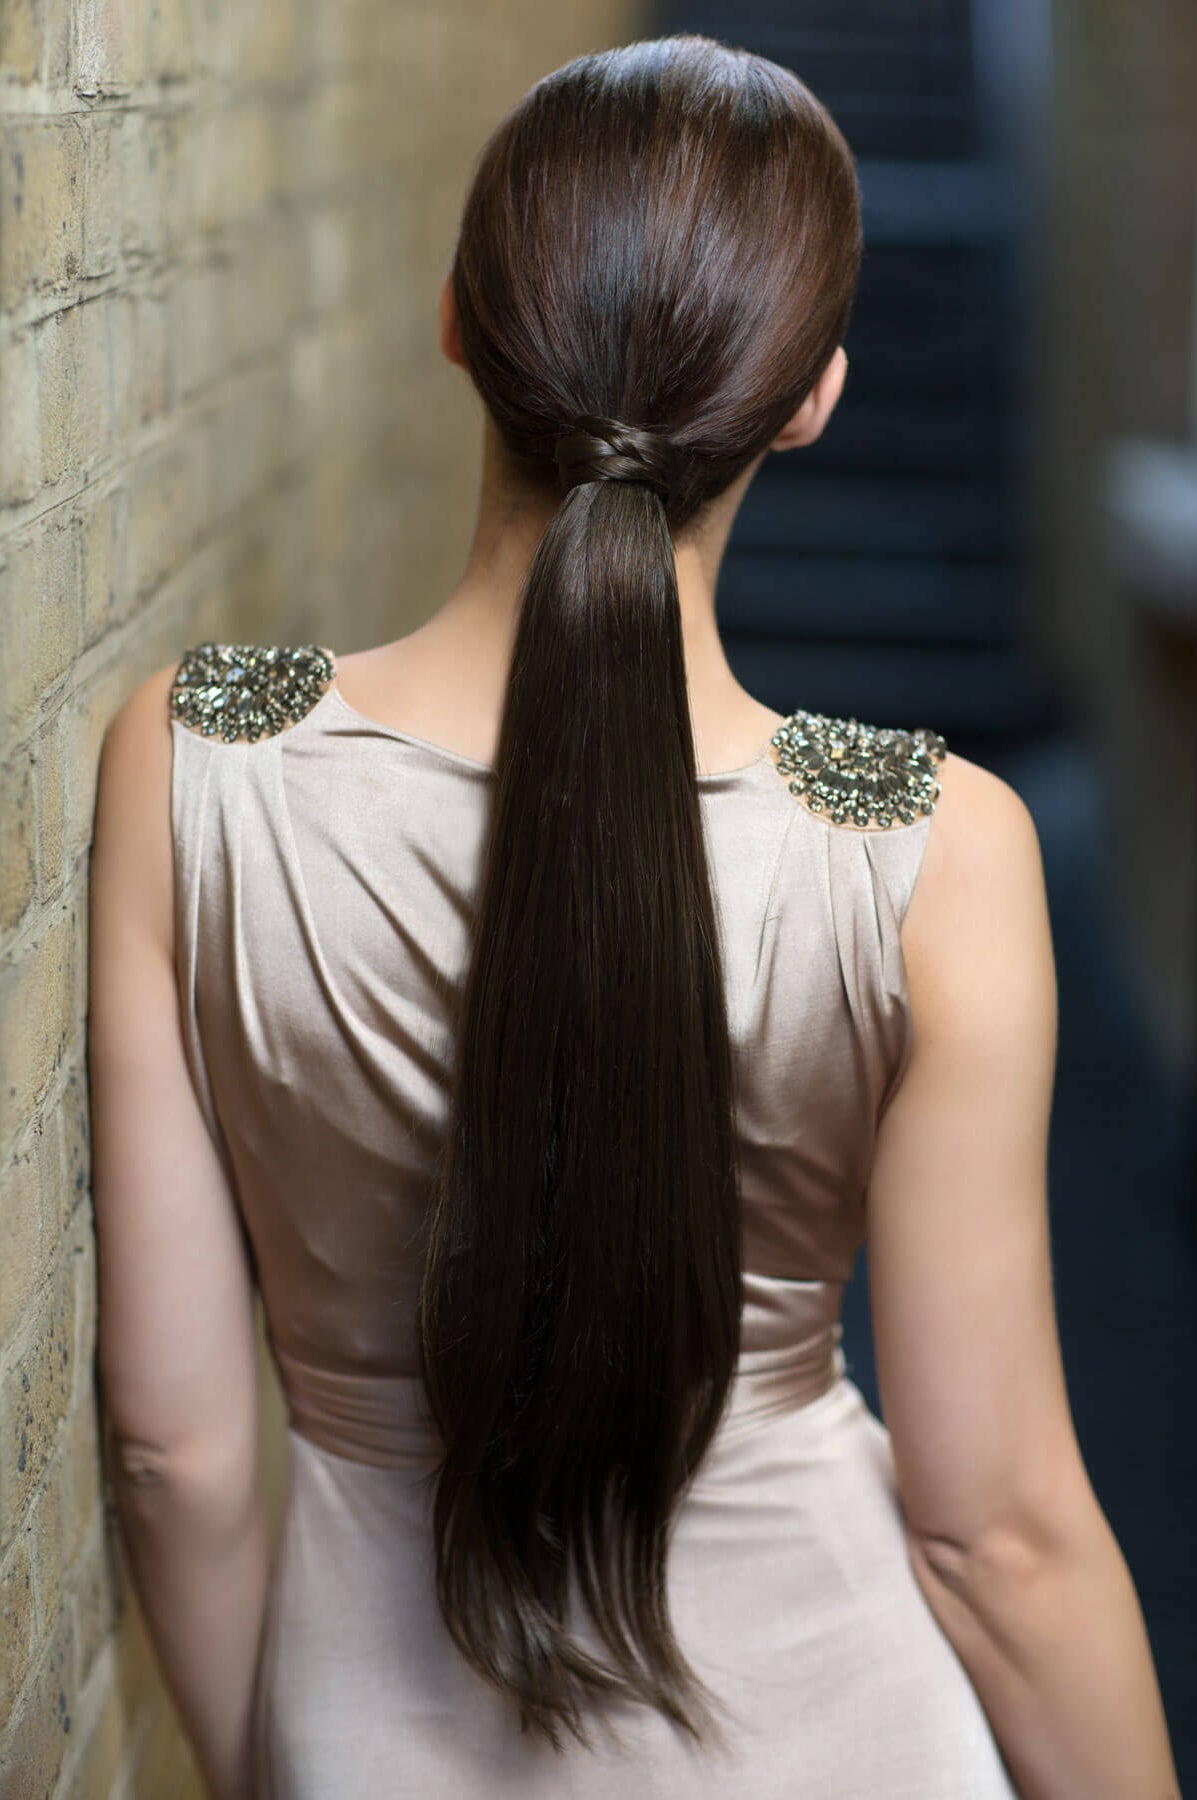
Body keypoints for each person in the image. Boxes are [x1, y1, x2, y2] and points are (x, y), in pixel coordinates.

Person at [86, 32, 1180, 1800]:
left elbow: (175, 1456)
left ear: (456, 320)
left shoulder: (196, 756)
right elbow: (998, 1539)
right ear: (809, 396)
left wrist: (272, 1765)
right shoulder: (931, 848)